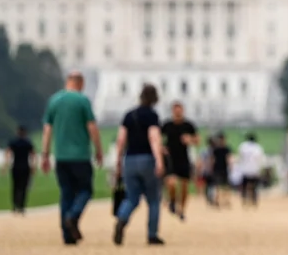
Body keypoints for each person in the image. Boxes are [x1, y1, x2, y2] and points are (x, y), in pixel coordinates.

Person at [41, 70, 104, 246]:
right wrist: (99, 150)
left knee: (66, 193)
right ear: (81, 83)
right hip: (80, 156)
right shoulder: (82, 101)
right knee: (85, 190)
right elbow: (92, 127)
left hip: (61, 156)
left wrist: (45, 155)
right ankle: (73, 216)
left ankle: (67, 235)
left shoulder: (54, 101)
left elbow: (47, 130)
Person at [112, 83, 166, 246]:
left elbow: (121, 140)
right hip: (147, 159)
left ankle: (122, 219)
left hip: (130, 159)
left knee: (131, 197)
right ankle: (151, 234)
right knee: (154, 199)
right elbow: (154, 138)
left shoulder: (129, 115)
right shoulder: (151, 115)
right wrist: (159, 160)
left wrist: (118, 161)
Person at [160, 101, 197, 221]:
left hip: (184, 158)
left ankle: (182, 209)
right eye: (176, 110)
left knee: (185, 186)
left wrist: (190, 140)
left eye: (180, 110)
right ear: (172, 111)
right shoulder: (167, 125)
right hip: (171, 158)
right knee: (171, 183)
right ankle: (172, 200)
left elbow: (197, 140)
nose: (178, 113)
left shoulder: (188, 125)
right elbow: (157, 138)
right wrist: (162, 148)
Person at [4, 125, 35, 214]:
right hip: (25, 167)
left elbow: (8, 152)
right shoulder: (27, 142)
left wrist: (6, 164)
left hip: (15, 167)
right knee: (24, 187)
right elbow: (32, 154)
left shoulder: (14, 142)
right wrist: (33, 166)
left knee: (15, 187)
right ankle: (22, 206)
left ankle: (14, 205)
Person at [237, 132, 266, 207]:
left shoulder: (243, 146)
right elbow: (261, 159)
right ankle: (254, 200)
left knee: (244, 186)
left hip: (245, 169)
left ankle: (244, 199)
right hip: (255, 170)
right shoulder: (258, 147)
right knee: (254, 187)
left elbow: (240, 157)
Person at [209, 132, 231, 208]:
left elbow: (212, 159)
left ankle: (223, 200)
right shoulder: (225, 149)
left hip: (219, 168)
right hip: (220, 168)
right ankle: (221, 200)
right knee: (220, 185)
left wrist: (211, 168)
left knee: (221, 186)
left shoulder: (216, 149)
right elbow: (228, 159)